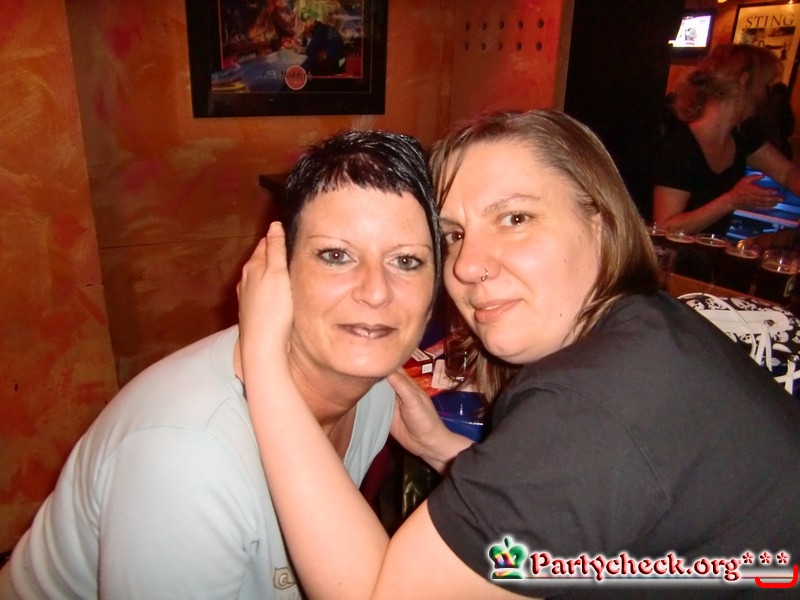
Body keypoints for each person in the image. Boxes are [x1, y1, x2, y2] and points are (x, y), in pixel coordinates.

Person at [237, 109, 800, 599]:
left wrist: (263, 359)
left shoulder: (591, 406)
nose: (466, 266)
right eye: (453, 235)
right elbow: (589, 516)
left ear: (600, 221)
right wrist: (445, 451)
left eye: (515, 218)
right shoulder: (647, 330)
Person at [0, 130, 440, 599]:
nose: (375, 292)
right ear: (276, 267)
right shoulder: (185, 459)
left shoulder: (374, 392)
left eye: (406, 261)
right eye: (336, 255)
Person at [654, 43, 800, 236]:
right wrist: (731, 200)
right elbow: (665, 229)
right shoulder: (681, 145)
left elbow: (786, 172)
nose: (766, 94)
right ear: (744, 80)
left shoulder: (742, 135)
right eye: (764, 85)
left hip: (709, 249)